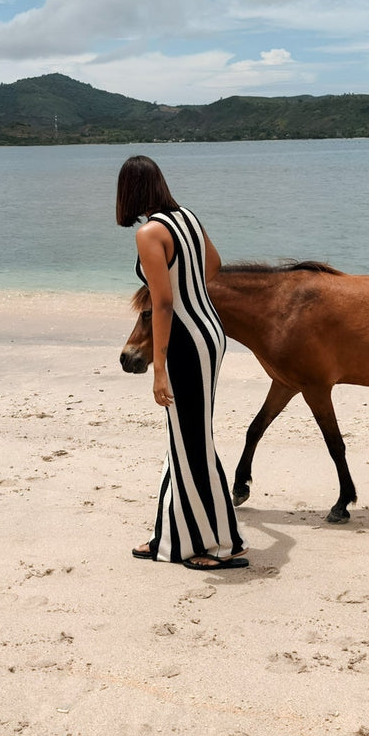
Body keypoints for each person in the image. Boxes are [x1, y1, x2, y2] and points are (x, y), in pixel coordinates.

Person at [116, 155, 248, 571]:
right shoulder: (187, 217)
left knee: (193, 441)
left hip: (185, 343)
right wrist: (189, 289)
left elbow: (163, 304)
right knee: (184, 437)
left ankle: (221, 545)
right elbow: (214, 264)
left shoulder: (150, 233)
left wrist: (158, 368)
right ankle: (172, 537)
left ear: (129, 191)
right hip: (210, 331)